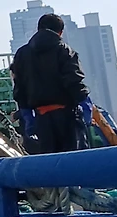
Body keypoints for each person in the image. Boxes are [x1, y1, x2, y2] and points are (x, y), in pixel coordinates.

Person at [11, 12, 90, 154]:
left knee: (49, 159)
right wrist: (85, 104)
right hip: (67, 118)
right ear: (60, 32)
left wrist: (27, 116)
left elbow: (19, 88)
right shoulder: (65, 51)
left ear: (38, 29)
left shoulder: (21, 54)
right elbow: (74, 82)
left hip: (41, 120)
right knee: (74, 159)